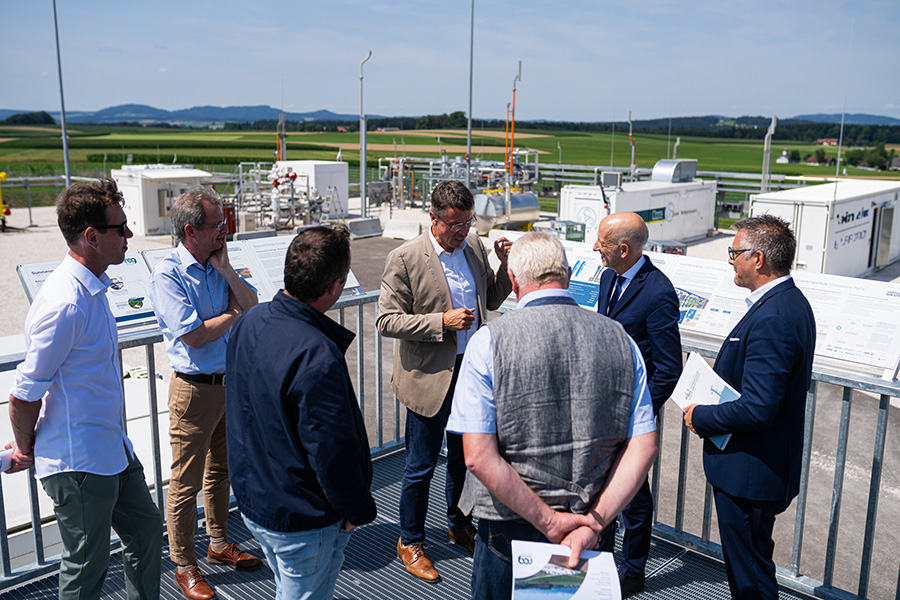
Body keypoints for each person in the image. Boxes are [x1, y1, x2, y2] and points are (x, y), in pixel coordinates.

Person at [447, 231, 660, 600]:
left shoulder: (489, 341)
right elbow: (644, 445)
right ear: (567, 274)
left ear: (513, 282)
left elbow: (477, 456)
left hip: (510, 526)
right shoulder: (621, 339)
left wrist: (548, 521)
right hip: (590, 525)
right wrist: (594, 521)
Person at [6, 178, 162, 600]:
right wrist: (24, 448)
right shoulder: (66, 303)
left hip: (109, 447)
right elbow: (23, 394)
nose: (130, 236)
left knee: (145, 529)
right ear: (92, 237)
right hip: (80, 462)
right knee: (86, 564)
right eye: (121, 228)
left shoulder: (91, 288)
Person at [225, 225, 377, 600]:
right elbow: (332, 450)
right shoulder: (317, 356)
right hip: (302, 520)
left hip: (255, 501)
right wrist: (357, 509)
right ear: (334, 287)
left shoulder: (249, 322)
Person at [376, 179, 513, 582]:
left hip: (471, 375)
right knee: (419, 466)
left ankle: (458, 525)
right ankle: (410, 540)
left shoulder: (472, 246)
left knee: (462, 460)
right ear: (432, 219)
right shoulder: (404, 257)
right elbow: (387, 320)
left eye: (468, 222)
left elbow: (490, 298)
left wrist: (504, 268)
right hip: (430, 380)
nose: (463, 231)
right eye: (455, 224)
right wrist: (441, 322)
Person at [684, 215, 815, 600]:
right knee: (753, 564)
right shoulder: (787, 302)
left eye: (734, 252)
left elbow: (759, 407)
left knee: (751, 575)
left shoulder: (774, 315)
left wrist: (701, 416)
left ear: (757, 259)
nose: (729, 260)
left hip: (750, 473)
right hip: (758, 467)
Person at [148, 187, 260, 600]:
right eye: (218, 225)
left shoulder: (217, 264)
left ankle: (218, 544)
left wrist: (228, 271)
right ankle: (184, 564)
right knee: (186, 482)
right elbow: (193, 336)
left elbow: (252, 302)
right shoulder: (169, 274)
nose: (225, 231)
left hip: (227, 384)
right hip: (193, 391)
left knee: (220, 472)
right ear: (191, 230)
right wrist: (231, 313)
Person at [593, 212, 682, 596]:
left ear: (624, 249)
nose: (595, 248)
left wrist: (641, 412)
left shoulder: (658, 292)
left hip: (632, 415)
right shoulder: (609, 276)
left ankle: (632, 570)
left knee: (633, 497)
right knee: (603, 489)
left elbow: (668, 367)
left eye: (602, 243)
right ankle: (601, 559)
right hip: (602, 408)